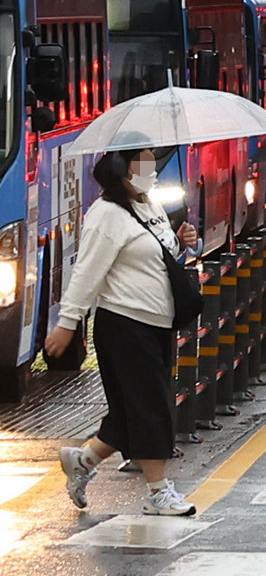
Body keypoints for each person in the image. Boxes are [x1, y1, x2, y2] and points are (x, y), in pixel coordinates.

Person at [47, 148, 199, 516]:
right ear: (121, 170)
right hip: (125, 325)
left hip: (157, 324)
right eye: (143, 164)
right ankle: (158, 492)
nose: (152, 170)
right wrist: (67, 323)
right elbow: (86, 273)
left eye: (152, 163)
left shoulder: (148, 205)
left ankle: (83, 461)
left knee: (131, 411)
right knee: (152, 408)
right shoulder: (106, 215)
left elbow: (158, 254)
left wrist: (181, 240)